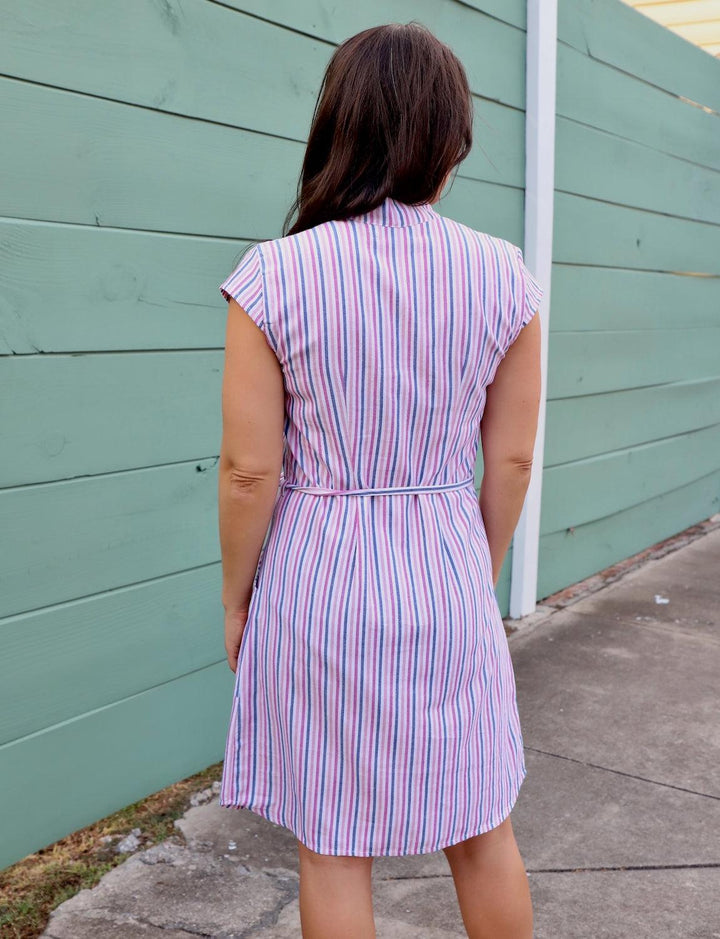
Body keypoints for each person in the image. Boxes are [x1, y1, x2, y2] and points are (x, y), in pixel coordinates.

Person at [215, 20, 543, 939]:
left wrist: (240, 597)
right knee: (480, 824)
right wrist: (474, 570)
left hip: (315, 577)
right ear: (450, 138)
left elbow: (250, 469)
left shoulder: (274, 277)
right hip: (444, 561)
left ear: (338, 128)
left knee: (332, 839)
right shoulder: (502, 275)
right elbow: (511, 457)